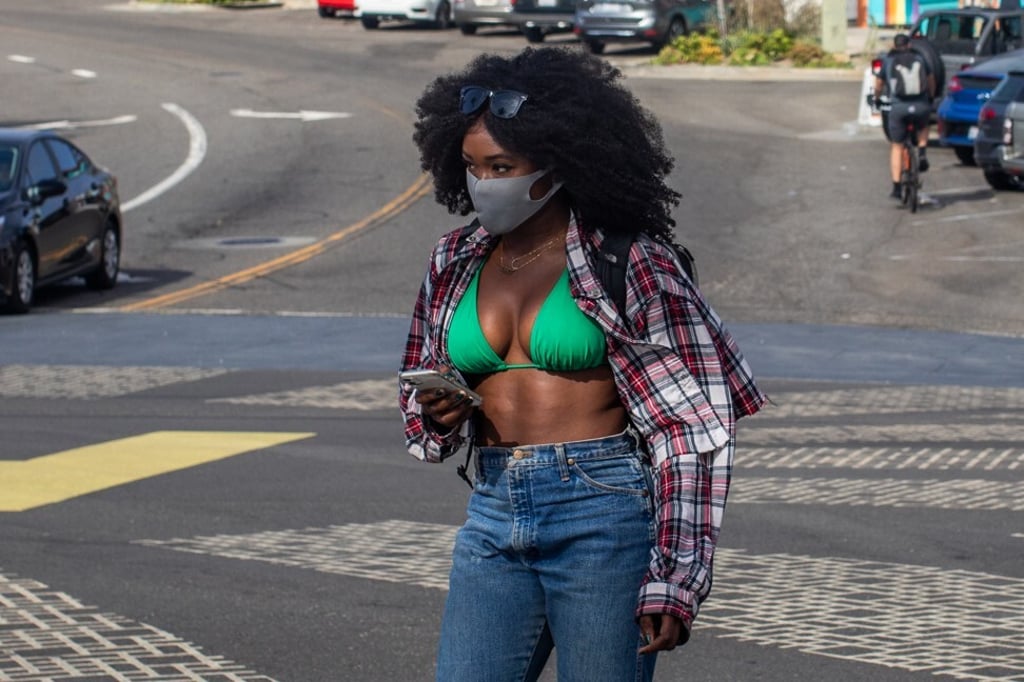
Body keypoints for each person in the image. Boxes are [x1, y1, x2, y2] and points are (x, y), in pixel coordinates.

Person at [399, 47, 766, 682]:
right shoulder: (453, 259)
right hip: (492, 503)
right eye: (471, 167)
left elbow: (691, 428)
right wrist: (437, 412)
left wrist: (677, 577)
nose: (483, 183)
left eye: (502, 166)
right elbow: (421, 399)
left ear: (557, 163)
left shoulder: (630, 261)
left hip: (603, 510)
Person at [873, 33, 936, 199]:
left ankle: (896, 187)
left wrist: (876, 98)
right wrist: (930, 97)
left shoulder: (888, 60)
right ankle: (922, 152)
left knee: (897, 145)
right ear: (909, 45)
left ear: (895, 46)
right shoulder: (920, 58)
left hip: (899, 107)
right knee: (924, 125)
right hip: (920, 105)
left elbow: (879, 84)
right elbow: (931, 79)